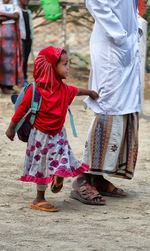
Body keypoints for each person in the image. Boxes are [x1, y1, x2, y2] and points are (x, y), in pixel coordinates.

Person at [5, 46, 105, 212]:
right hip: (39, 138)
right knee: (41, 167)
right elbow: (21, 110)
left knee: (63, 157)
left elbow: (77, 90)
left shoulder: (63, 89)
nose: (68, 68)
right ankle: (39, 199)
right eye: (65, 64)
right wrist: (11, 129)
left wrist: (90, 92)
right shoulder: (35, 90)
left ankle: (58, 176)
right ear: (52, 66)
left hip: (58, 135)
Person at [71, 0, 142, 204]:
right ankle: (83, 178)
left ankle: (98, 177)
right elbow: (96, 2)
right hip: (112, 45)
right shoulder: (117, 37)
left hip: (126, 43)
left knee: (125, 108)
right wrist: (120, 35)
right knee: (108, 107)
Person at [0, 0, 23, 94]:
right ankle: (3, 85)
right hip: (2, 37)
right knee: (2, 60)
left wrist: (3, 14)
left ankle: (9, 85)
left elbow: (17, 16)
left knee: (11, 61)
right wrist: (11, 16)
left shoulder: (14, 3)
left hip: (13, 37)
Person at [18, 0, 33, 86]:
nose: (26, 1)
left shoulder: (28, 12)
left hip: (28, 39)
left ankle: (24, 79)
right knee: (21, 60)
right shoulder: (17, 11)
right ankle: (21, 79)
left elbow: (30, 26)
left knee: (26, 59)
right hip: (21, 39)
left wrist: (32, 37)